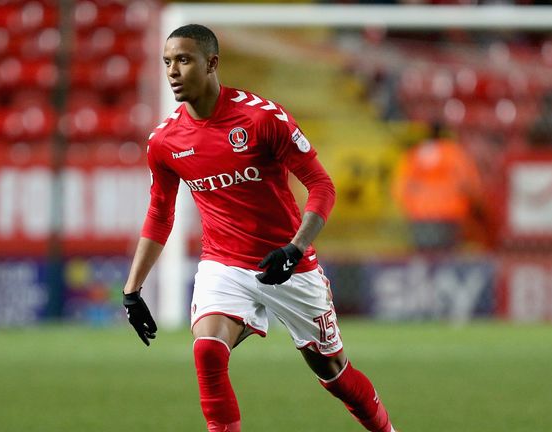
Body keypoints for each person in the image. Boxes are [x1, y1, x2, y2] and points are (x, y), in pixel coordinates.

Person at [122, 24, 397, 432]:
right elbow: (160, 214)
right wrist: (132, 289)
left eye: (183, 60)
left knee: (335, 373)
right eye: (167, 62)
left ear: (212, 63)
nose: (173, 72)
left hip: (289, 263)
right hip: (224, 265)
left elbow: (321, 185)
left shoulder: (261, 118)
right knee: (208, 353)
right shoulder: (165, 141)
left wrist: (296, 248)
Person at [392, 121, 484, 251]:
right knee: (445, 260)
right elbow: (471, 187)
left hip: (420, 217)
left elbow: (399, 189)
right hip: (450, 216)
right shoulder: (455, 154)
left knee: (425, 261)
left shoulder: (414, 154)